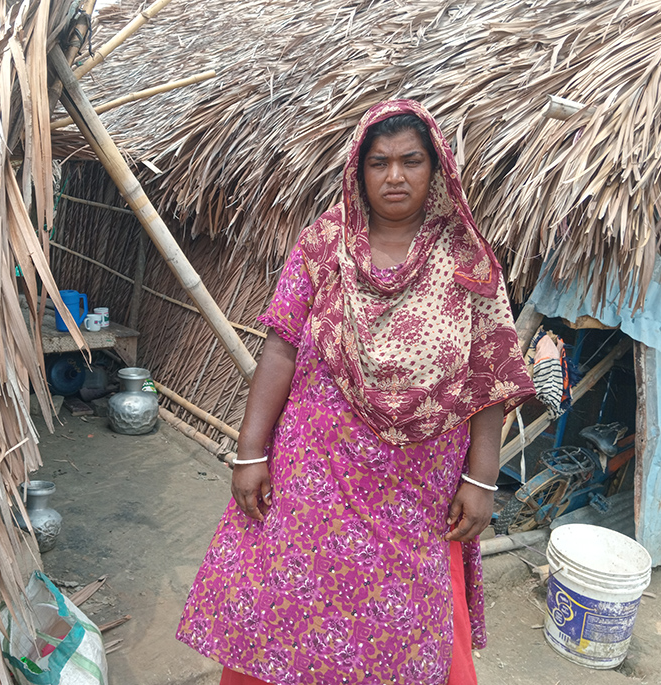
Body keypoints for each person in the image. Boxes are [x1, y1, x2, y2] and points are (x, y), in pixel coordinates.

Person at [176, 100, 535, 684]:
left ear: (436, 168)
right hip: (316, 471)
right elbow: (281, 347)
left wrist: (481, 480)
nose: (395, 177)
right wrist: (250, 452)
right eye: (380, 162)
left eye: (411, 161)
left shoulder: (469, 260)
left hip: (415, 490)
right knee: (289, 603)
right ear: (358, 171)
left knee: (405, 627)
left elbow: (488, 377)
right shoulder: (323, 246)